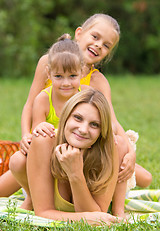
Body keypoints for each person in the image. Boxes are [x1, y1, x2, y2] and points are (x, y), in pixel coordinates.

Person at [19, 13, 152, 187]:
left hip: (79, 143)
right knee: (17, 165)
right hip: (44, 140)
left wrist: (130, 154)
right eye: (95, 37)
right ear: (79, 33)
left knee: (144, 178)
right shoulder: (49, 62)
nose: (98, 45)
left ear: (108, 54)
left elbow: (112, 121)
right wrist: (25, 135)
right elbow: (30, 104)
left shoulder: (98, 81)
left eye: (106, 45)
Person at [16, 88, 122, 224]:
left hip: (117, 176)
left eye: (94, 125)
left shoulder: (107, 149)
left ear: (101, 132)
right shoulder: (45, 140)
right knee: (17, 161)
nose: (83, 130)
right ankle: (30, 198)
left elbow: (98, 214)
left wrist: (75, 173)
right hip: (33, 171)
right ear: (66, 117)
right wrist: (87, 218)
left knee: (123, 146)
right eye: (78, 118)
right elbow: (43, 212)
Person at [2, 34, 86, 199]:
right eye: (59, 76)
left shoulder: (85, 98)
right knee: (17, 161)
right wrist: (32, 132)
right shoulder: (43, 99)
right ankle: (33, 196)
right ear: (48, 73)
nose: (66, 83)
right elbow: (39, 135)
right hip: (45, 161)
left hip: (75, 159)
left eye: (72, 76)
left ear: (81, 72)